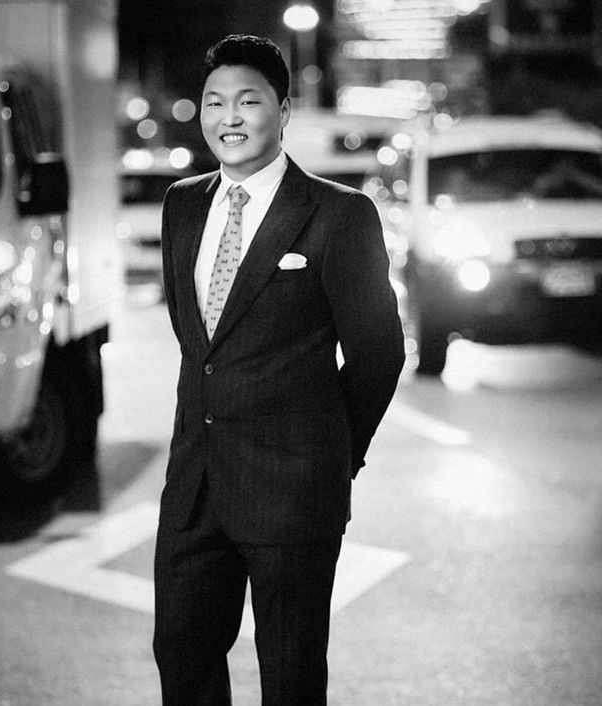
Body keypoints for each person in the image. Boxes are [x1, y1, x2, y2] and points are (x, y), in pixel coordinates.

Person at [154, 34, 405, 706]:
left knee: (290, 677)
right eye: (214, 102)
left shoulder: (338, 214)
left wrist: (331, 457)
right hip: (195, 488)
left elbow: (378, 355)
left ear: (283, 110)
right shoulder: (182, 204)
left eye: (248, 101)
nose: (229, 117)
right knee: (181, 660)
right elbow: (198, 345)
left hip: (293, 494)